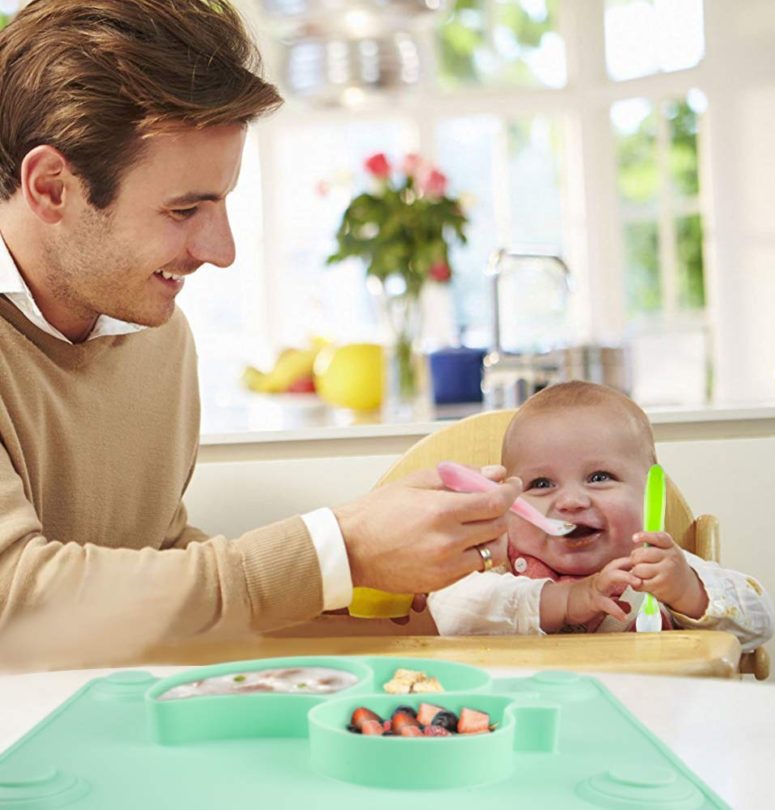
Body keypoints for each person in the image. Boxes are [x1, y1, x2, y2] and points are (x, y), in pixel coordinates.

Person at [0, 0, 521, 668]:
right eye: (184, 209)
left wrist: (369, 592)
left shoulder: (157, 337)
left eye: (221, 201)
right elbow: (20, 605)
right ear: (51, 187)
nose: (221, 250)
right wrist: (340, 547)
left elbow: (147, 566)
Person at [428, 382, 775, 650]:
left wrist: (687, 591)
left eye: (599, 477)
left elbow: (760, 620)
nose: (572, 501)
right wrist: (565, 601)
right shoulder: (497, 564)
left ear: (651, 492)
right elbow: (450, 611)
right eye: (542, 483)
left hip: (646, 721)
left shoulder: (659, 569)